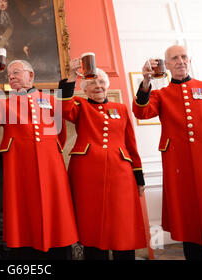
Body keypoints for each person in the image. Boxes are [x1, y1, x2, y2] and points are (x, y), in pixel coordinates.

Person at [132, 45, 202, 260]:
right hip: (180, 167)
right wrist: (146, 81)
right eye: (174, 58)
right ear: (166, 65)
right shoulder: (161, 94)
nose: (180, 61)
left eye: (184, 57)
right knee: (189, 221)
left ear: (190, 60)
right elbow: (142, 111)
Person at [0, 58, 78, 259]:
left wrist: (73, 77)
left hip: (51, 165)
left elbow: (64, 120)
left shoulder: (50, 99)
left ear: (30, 75)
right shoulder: (5, 103)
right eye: (9, 75)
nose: (11, 77)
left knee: (56, 210)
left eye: (16, 72)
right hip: (19, 167)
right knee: (22, 214)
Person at [58, 61, 147, 260]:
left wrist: (138, 177)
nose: (97, 85)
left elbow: (131, 145)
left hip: (121, 174)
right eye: (92, 82)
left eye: (101, 81)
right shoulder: (79, 106)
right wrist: (72, 76)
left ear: (107, 85)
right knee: (92, 224)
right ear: (85, 89)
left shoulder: (121, 108)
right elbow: (64, 108)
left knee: (122, 224)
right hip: (87, 174)